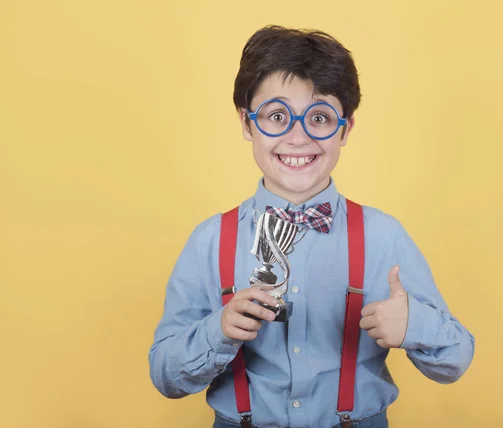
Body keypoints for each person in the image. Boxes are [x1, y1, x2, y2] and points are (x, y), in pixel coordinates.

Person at [149, 25, 475, 428]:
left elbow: (456, 361)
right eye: (277, 115)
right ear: (247, 124)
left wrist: (415, 326)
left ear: (345, 128)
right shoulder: (209, 241)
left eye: (319, 117)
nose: (298, 136)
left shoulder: (383, 236)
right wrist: (218, 330)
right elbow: (165, 376)